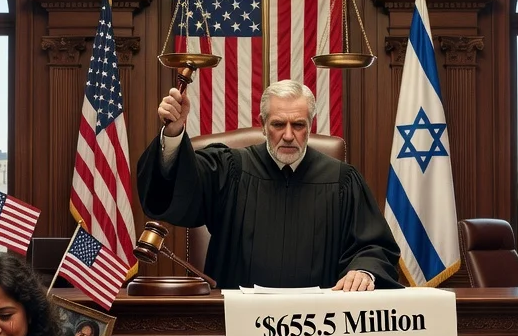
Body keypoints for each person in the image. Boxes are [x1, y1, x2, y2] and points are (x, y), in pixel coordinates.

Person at [137, 78, 401, 291]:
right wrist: (173, 134)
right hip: (236, 323)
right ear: (263, 125)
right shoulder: (229, 169)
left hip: (319, 332)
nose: (288, 135)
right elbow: (178, 193)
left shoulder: (342, 180)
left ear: (310, 126)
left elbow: (375, 246)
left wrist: (364, 271)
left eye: (298, 124)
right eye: (278, 124)